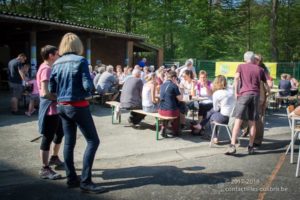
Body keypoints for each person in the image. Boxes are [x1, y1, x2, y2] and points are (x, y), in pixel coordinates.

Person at [49, 33, 107, 193]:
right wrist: (89, 90)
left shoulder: (56, 62)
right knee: (93, 141)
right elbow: (88, 85)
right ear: (77, 46)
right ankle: (86, 181)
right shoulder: (81, 61)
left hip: (61, 106)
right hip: (78, 105)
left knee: (69, 143)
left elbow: (51, 89)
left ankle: (72, 178)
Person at [225, 51, 268, 155]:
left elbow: (236, 78)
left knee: (238, 120)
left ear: (245, 59)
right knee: (252, 122)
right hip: (255, 96)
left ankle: (232, 146)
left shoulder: (241, 66)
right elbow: (266, 84)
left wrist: (236, 92)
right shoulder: (260, 69)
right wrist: (268, 93)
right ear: (253, 59)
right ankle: (251, 146)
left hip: (244, 95)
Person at [36, 45, 64, 180]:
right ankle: (44, 168)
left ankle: (54, 157)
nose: (59, 56)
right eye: (57, 54)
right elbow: (45, 92)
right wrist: (61, 98)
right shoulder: (46, 69)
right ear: (51, 55)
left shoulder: (47, 67)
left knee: (60, 133)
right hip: (49, 110)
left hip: (55, 109)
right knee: (47, 138)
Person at [193, 75, 234, 144]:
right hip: (233, 117)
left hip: (224, 118)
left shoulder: (217, 93)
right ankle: (201, 126)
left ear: (216, 83)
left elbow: (216, 108)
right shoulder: (231, 91)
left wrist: (219, 106)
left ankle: (214, 137)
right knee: (211, 112)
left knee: (212, 116)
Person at [158, 70, 183, 137]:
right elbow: (180, 99)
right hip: (170, 112)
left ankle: (164, 127)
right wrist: (180, 88)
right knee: (179, 112)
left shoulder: (162, 85)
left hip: (160, 110)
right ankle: (175, 131)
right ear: (174, 78)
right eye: (176, 79)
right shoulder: (174, 86)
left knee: (172, 108)